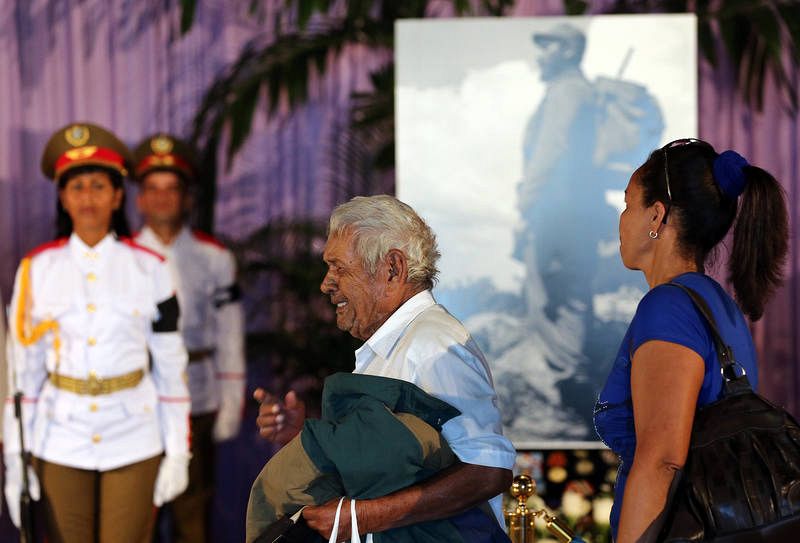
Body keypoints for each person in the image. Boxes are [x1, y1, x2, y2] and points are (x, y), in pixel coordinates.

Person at [254, 195, 516, 540]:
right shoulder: (396, 345)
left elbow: (487, 471)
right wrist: (302, 436)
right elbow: (391, 462)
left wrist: (361, 517)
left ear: (392, 268)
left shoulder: (432, 345)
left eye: (339, 268)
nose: (326, 283)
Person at [3, 123, 192, 543]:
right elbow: (23, 374)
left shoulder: (151, 268)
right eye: (77, 187)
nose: (87, 198)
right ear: (62, 197)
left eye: (98, 186)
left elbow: (170, 365)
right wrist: (15, 457)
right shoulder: (37, 269)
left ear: (118, 196)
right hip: (59, 436)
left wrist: (179, 450)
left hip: (134, 435)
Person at [593, 138, 789, 542]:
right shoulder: (716, 304)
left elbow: (662, 460)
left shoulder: (668, 307)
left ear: (657, 215)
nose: (621, 219)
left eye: (628, 204)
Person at [132, 133, 246, 543]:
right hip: (136, 402)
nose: (162, 198)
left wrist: (231, 402)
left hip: (196, 397)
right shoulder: (123, 256)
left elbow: (230, 334)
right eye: (153, 189)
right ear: (140, 199)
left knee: (192, 513)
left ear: (186, 198)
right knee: (136, 516)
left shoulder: (214, 257)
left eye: (172, 189)